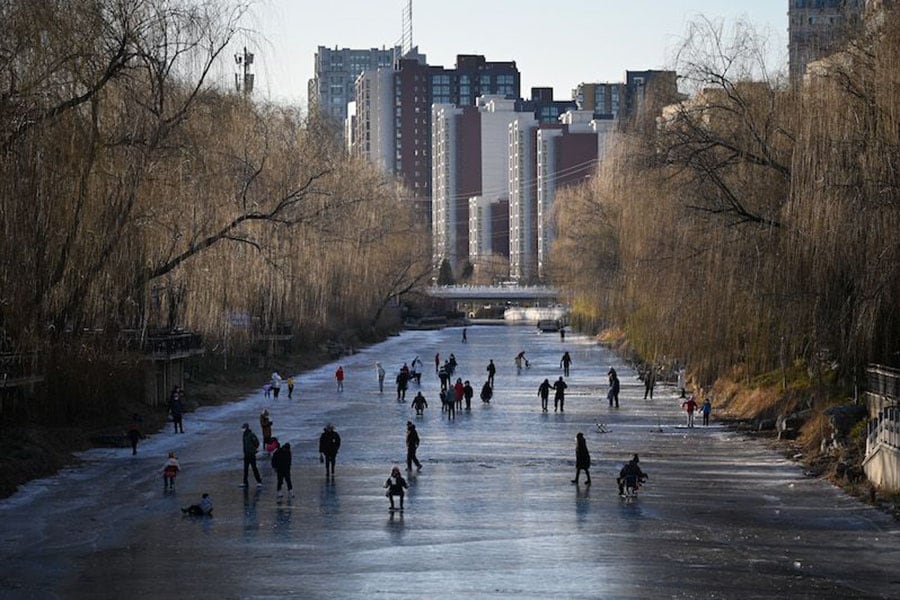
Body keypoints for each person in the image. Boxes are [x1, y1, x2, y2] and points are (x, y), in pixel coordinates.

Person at [241, 423, 262, 488]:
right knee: (245, 469)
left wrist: (253, 450)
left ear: (246, 428)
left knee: (254, 468)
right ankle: (245, 482)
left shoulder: (251, 435)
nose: (242, 429)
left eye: (243, 428)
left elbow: (257, 443)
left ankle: (259, 481)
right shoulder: (244, 435)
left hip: (251, 455)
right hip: (246, 455)